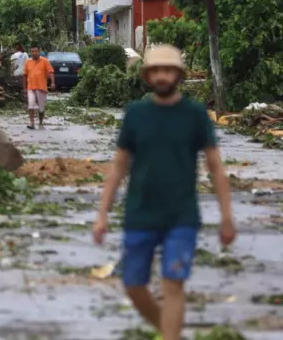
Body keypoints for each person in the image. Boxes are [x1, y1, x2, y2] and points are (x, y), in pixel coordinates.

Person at [92, 45, 236, 340]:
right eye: (156, 70)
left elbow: (216, 168)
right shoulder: (136, 114)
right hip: (139, 214)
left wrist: (227, 217)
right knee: (133, 285)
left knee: (173, 284)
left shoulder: (195, 115)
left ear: (178, 75)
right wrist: (102, 215)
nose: (161, 75)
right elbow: (118, 167)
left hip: (181, 216)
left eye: (168, 70)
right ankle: (172, 333)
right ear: (147, 75)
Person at [23, 45, 54, 129]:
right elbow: (25, 75)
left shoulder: (45, 61)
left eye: (36, 51)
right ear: (30, 52)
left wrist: (52, 83)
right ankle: (32, 123)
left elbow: (50, 72)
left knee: (41, 107)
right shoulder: (28, 62)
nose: (34, 53)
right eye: (32, 51)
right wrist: (24, 88)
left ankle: (40, 122)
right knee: (31, 104)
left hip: (41, 87)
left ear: (39, 51)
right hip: (31, 87)